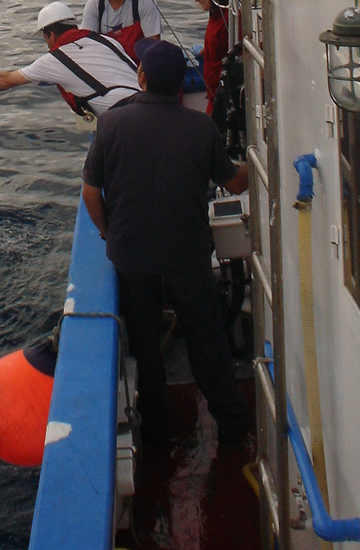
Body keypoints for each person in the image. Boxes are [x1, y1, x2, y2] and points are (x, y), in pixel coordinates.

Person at [81, 37, 249, 449]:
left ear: (141, 77)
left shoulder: (112, 124)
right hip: (187, 254)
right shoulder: (200, 127)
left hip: (132, 254)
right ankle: (230, 422)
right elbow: (233, 182)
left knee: (146, 343)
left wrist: (109, 233)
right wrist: (259, 161)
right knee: (206, 339)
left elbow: (91, 193)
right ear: (179, 85)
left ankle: (156, 430)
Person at [0, 1, 139, 121]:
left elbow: (5, 80)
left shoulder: (55, 60)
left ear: (51, 34)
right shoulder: (105, 40)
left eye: (45, 38)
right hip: (155, 104)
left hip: (126, 118)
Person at [188, 0, 230, 114]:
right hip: (214, 94)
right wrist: (205, 51)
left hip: (224, 94)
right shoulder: (215, 15)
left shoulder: (228, 19)